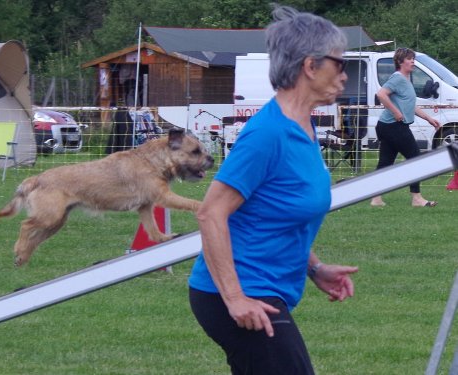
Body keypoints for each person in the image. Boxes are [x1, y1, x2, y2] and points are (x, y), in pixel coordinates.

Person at [188, 5, 359, 375]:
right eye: (339, 63)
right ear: (311, 66)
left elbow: (277, 213)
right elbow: (210, 212)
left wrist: (315, 268)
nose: (345, 75)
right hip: (237, 294)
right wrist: (235, 298)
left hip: (268, 289)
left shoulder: (304, 129)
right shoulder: (268, 134)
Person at [370, 47, 441, 207]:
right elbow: (381, 94)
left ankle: (376, 198)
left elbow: (410, 105)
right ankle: (416, 198)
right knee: (415, 158)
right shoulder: (398, 78)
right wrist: (395, 112)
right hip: (393, 126)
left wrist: (429, 118)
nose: (413, 62)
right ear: (400, 61)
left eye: (413, 59)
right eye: (410, 59)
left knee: (385, 162)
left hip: (389, 126)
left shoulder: (406, 79)